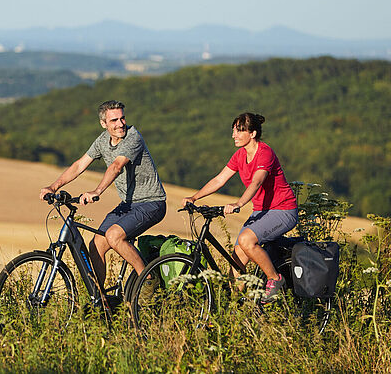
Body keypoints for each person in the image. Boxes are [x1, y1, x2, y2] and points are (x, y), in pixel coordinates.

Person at [40, 100, 167, 291]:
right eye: (114, 120)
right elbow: (79, 165)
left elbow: (116, 166)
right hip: (129, 204)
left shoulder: (133, 137)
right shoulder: (102, 141)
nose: (120, 124)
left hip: (152, 202)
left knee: (114, 235)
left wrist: (97, 191)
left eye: (122, 118)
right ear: (104, 124)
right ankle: (99, 300)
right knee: (97, 244)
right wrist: (53, 187)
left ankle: (148, 279)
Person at [181, 113, 298, 303]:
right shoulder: (240, 155)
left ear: (252, 133)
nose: (233, 135)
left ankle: (275, 279)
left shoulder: (264, 153)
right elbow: (220, 179)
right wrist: (194, 197)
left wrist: (239, 203)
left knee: (246, 240)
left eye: (239, 130)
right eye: (233, 130)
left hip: (283, 210)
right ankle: (235, 307)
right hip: (262, 211)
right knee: (236, 260)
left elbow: (257, 182)